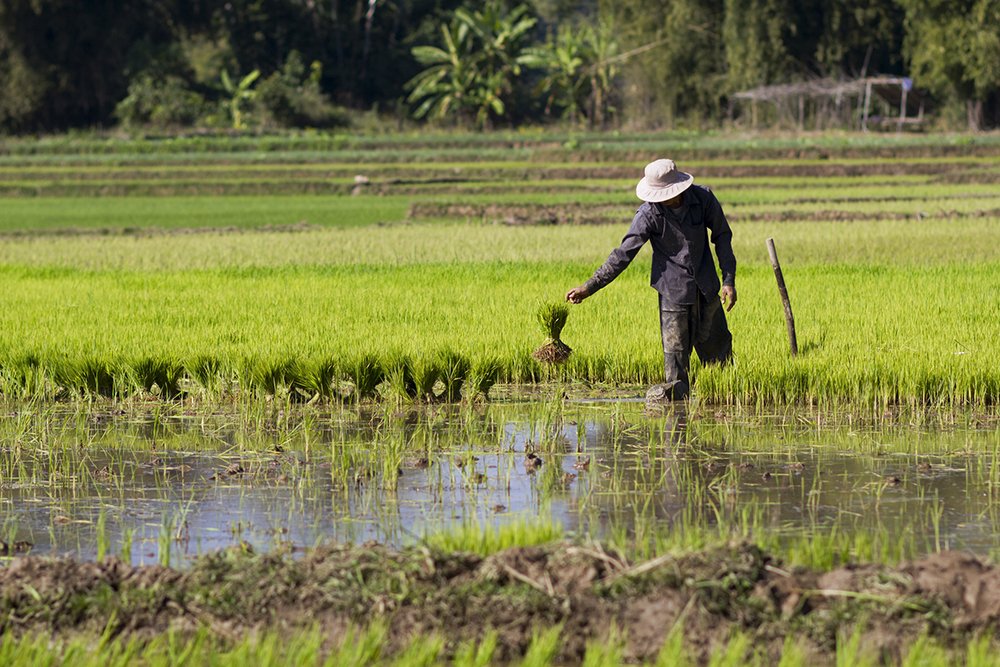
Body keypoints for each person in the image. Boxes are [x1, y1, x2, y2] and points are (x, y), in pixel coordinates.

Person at [565, 158, 737, 401]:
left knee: (720, 360)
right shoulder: (649, 213)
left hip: (707, 289)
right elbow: (623, 255)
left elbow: (722, 236)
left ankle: (723, 414)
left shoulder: (703, 199)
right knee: (676, 367)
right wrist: (589, 287)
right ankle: (678, 423)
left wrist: (728, 279)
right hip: (673, 294)